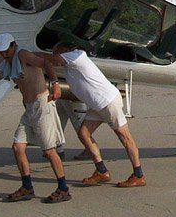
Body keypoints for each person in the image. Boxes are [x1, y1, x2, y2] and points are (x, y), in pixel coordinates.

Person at [0, 33, 71, 203]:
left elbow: (45, 63)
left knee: (49, 151)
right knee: (18, 147)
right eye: (1, 52)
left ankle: (63, 189)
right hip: (29, 108)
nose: (4, 54)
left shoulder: (23, 54)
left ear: (13, 45)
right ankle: (27, 187)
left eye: (6, 50)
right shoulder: (6, 64)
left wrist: (55, 84)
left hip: (42, 105)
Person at [39, 41, 146, 188]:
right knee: (83, 133)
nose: (54, 55)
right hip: (97, 105)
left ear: (63, 51)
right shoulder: (69, 65)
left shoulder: (76, 56)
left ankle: (138, 175)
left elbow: (54, 60)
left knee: (125, 137)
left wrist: (28, 54)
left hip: (107, 102)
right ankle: (101, 171)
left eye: (55, 52)